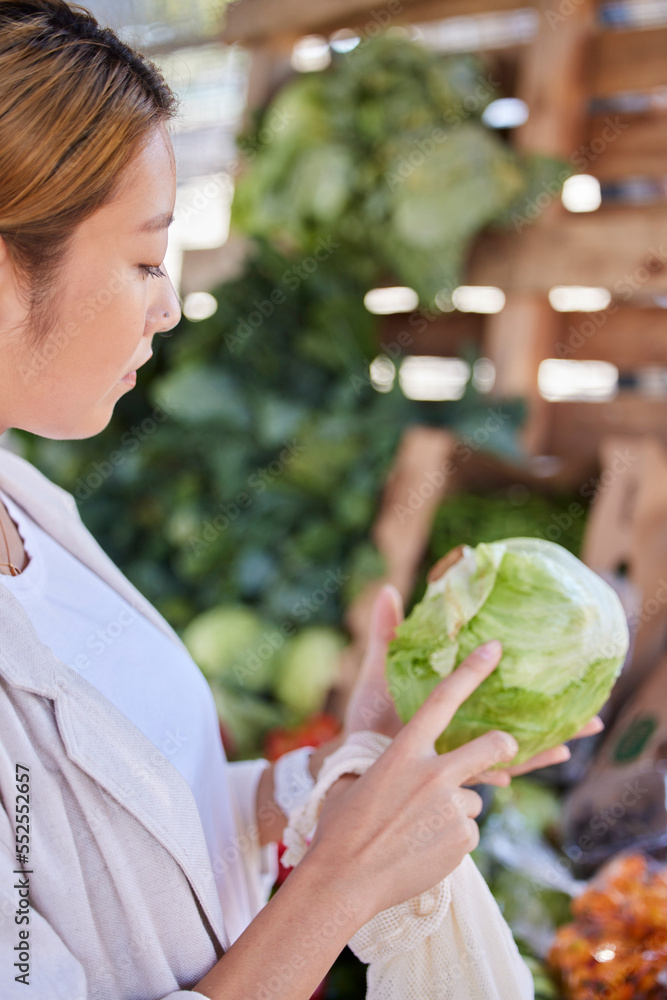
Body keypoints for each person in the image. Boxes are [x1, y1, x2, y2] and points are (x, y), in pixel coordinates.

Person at [0, 3, 603, 998]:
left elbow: (134, 845)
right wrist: (338, 885)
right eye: (147, 259)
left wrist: (332, 775)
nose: (165, 304)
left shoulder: (27, 502)